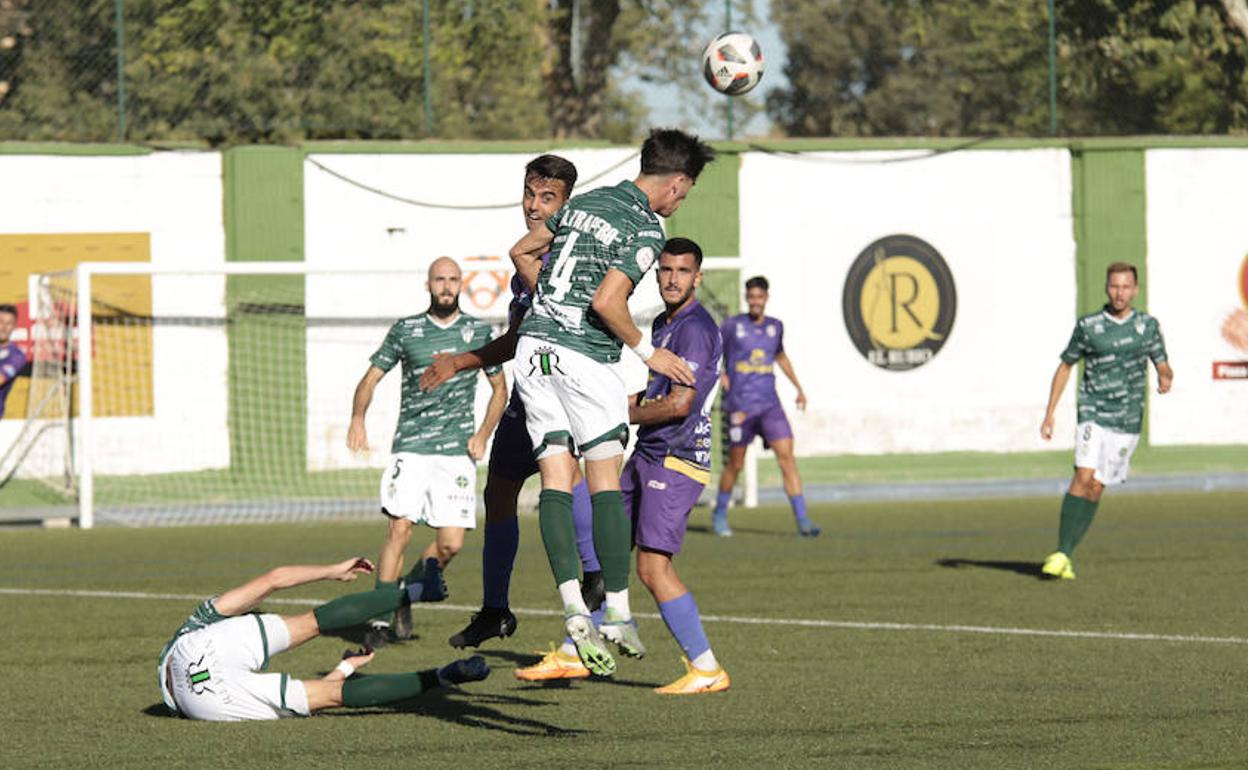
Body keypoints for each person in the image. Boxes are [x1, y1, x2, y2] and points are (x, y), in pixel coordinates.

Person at [507, 128, 715, 677]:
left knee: (554, 476)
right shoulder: (646, 225)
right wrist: (650, 355)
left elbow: (521, 251)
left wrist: (549, 297)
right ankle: (618, 610)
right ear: (674, 183)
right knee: (601, 479)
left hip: (532, 349)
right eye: (684, 194)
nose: (678, 203)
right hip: (581, 356)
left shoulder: (589, 199)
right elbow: (607, 301)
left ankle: (575, 606)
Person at [419, 155, 605, 649]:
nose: (533, 205)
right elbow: (519, 338)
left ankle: (594, 574)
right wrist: (460, 362)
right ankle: (496, 610)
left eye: (547, 198)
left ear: (567, 204)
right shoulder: (527, 263)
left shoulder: (567, 258)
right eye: (529, 193)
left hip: (561, 395)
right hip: (526, 396)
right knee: (499, 494)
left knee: (561, 484)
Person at [347, 257, 508, 645]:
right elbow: (371, 378)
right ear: (428, 285)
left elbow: (500, 389)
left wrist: (484, 433)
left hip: (456, 452)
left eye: (453, 280)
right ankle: (380, 621)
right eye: (440, 280)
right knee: (399, 528)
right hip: (412, 447)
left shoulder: (478, 332)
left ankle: (404, 594)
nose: (446, 286)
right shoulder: (407, 330)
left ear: (461, 285)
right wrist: (357, 418)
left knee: (451, 543)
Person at [157, 556, 489, 721]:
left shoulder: (190, 643)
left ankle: (445, 676)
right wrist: (332, 570)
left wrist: (343, 671)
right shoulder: (196, 623)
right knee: (312, 622)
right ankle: (417, 590)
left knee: (328, 696)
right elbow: (275, 579)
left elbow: (319, 696)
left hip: (200, 701)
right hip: (201, 649)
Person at [1039, 261, 1172, 580]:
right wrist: (1050, 412)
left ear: (1135, 290)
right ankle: (1059, 552)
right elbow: (1066, 365)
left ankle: (1067, 554)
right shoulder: (1089, 326)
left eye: (1126, 286)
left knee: (1097, 486)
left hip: (1126, 419)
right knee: (1083, 475)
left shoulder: (1147, 326)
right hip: (1093, 411)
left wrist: (1165, 376)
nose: (1120, 292)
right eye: (1114, 286)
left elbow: (1163, 363)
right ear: (1106, 288)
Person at [711, 276, 819, 538]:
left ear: (766, 298)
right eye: (751, 297)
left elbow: (780, 356)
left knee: (787, 459)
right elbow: (713, 351)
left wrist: (799, 388)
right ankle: (720, 513)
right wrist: (719, 374)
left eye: (760, 297)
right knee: (735, 464)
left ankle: (803, 520)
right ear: (747, 298)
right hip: (740, 406)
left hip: (770, 406)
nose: (755, 302)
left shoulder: (775, 327)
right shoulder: (732, 326)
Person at [0, 304, 28, 420]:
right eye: (0, 321)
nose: (3, 327)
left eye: (9, 323)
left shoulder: (17, 356)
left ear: (15, 326)